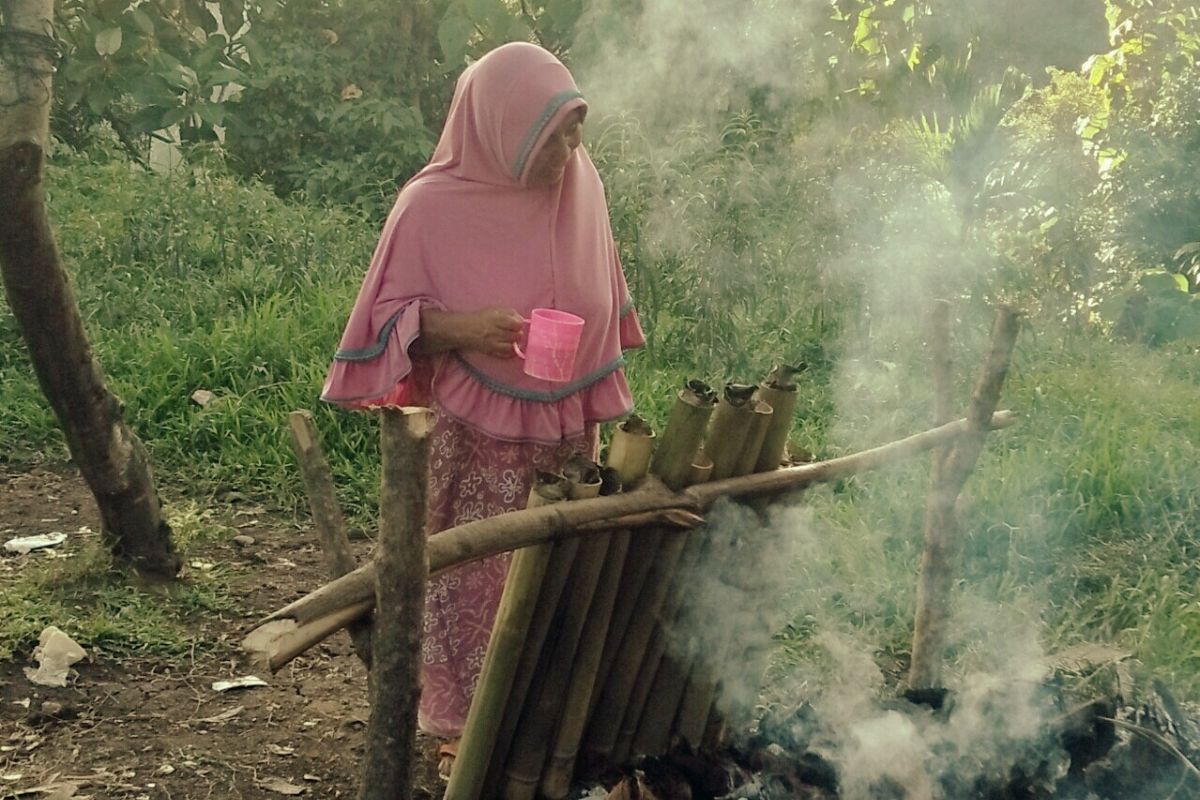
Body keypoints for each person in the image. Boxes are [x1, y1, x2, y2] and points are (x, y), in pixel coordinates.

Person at [320, 42, 645, 777]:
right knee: (473, 573)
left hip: (564, 425)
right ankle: (462, 732)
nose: (569, 150)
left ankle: (536, 715)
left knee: (551, 566)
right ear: (500, 128)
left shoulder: (580, 186)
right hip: (476, 435)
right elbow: (384, 321)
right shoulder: (431, 206)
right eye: (552, 134)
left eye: (574, 129)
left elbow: (600, 279)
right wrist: (465, 329)